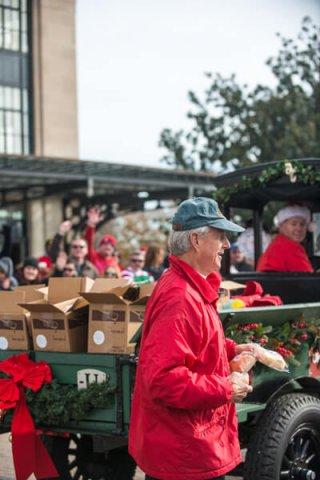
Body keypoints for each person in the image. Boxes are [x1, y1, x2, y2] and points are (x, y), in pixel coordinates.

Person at [129, 197, 254, 480]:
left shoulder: (186, 285)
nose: (226, 244)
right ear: (196, 240)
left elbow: (193, 345)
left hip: (187, 447)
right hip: (186, 453)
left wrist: (232, 349)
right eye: (220, 236)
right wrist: (225, 388)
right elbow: (164, 379)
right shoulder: (181, 296)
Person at [257, 204, 313, 272]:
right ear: (281, 226)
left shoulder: (277, 244)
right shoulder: (289, 247)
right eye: (293, 224)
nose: (299, 228)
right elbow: (307, 276)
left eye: (302, 224)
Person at [84, 207, 120, 276]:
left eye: (111, 245)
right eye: (105, 244)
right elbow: (88, 243)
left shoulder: (114, 262)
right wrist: (91, 226)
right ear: (99, 247)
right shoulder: (93, 256)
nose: (108, 246)